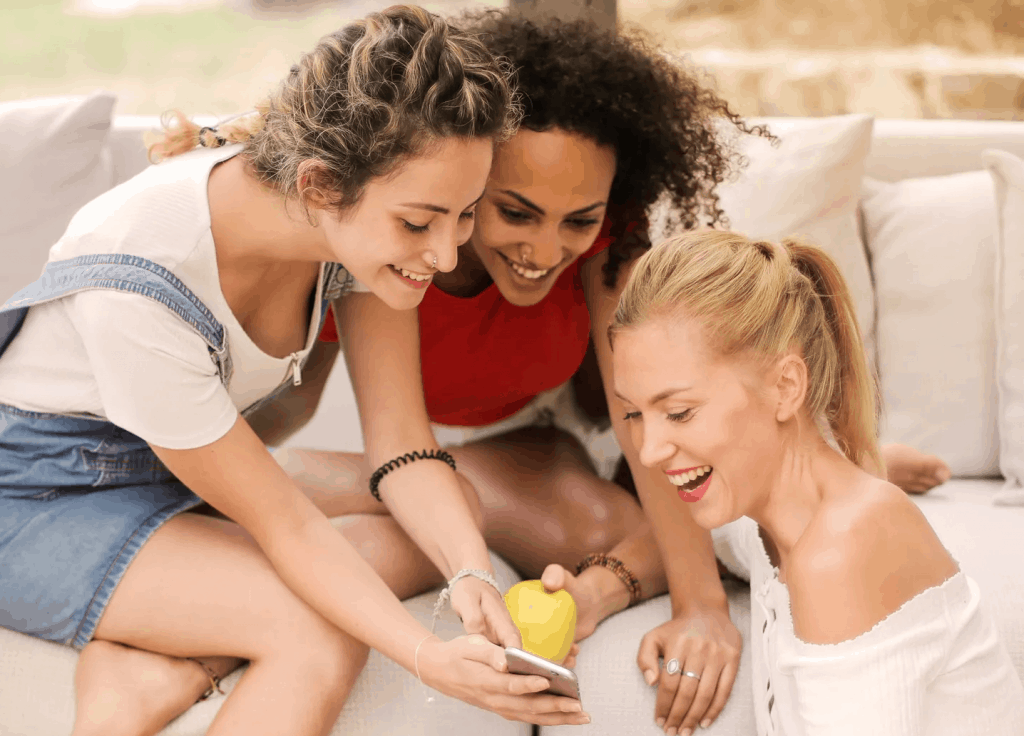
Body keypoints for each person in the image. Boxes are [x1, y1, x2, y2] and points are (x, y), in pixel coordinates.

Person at [274, 12, 951, 735]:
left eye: (577, 219)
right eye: (515, 212)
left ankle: (829, 461)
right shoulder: (409, 243)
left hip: (552, 442)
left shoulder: (610, 241)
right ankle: (835, 463)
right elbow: (393, 440)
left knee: (623, 520)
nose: (545, 248)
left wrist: (702, 609)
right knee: (411, 506)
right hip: (414, 459)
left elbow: (643, 417)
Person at [0, 7, 594, 736]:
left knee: (447, 518)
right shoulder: (138, 276)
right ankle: (168, 656)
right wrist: (427, 656)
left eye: (465, 214)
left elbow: (404, 449)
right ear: (318, 185)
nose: (444, 256)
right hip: (39, 501)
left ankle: (174, 659)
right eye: (420, 222)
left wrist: (470, 571)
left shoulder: (352, 233)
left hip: (177, 478)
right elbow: (288, 529)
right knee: (315, 627)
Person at [609, 230, 1024, 735]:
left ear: (785, 386)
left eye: (679, 412)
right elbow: (697, 539)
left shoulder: (842, 551)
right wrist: (595, 589)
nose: (649, 451)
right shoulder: (768, 520)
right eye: (633, 413)